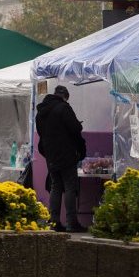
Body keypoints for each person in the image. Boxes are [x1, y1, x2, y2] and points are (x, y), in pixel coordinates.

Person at [35, 85, 87, 232]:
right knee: (70, 186)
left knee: (56, 186)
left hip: (50, 155)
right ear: (65, 96)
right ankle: (72, 223)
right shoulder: (64, 108)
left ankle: (54, 222)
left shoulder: (40, 113)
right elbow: (76, 129)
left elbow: (41, 133)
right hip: (66, 154)